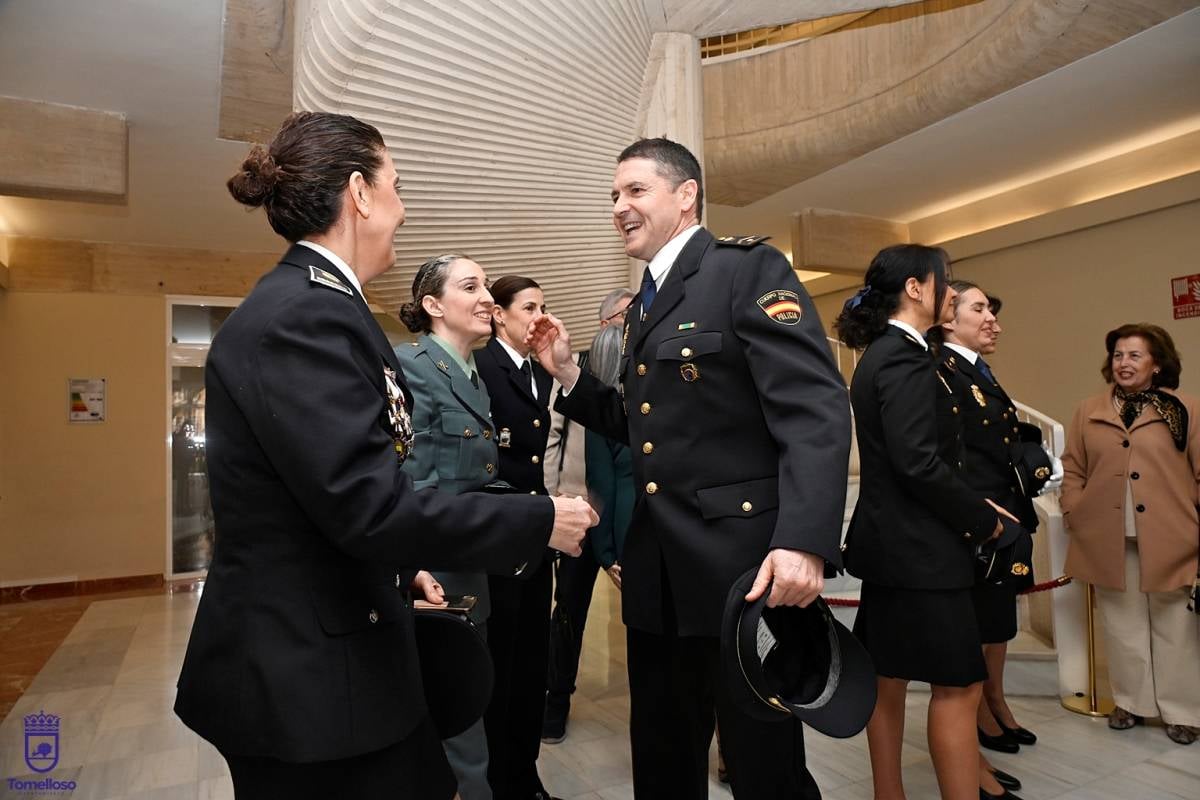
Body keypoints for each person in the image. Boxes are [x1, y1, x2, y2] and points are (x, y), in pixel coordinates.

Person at [173, 111, 595, 800]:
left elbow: (332, 493)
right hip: (304, 681)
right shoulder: (302, 318)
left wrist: (401, 571)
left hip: (336, 647)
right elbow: (368, 506)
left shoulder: (327, 308)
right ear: (360, 194)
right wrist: (538, 520)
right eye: (396, 186)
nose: (404, 209)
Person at [528, 137, 851, 799]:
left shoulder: (745, 270)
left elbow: (813, 408)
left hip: (741, 566)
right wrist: (567, 374)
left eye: (635, 191)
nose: (619, 207)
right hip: (660, 573)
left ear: (686, 195)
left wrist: (803, 540)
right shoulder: (648, 299)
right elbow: (644, 430)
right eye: (614, 195)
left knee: (762, 756)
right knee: (664, 753)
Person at [834, 245, 1015, 800]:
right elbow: (919, 462)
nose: (952, 293)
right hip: (924, 554)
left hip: (893, 549)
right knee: (958, 689)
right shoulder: (905, 357)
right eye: (945, 284)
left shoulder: (880, 354)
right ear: (916, 289)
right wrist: (983, 519)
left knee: (886, 681)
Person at [929, 282, 1061, 797]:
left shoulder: (976, 370)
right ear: (948, 317)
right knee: (980, 632)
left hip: (1002, 520)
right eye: (979, 309)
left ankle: (994, 707)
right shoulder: (941, 371)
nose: (993, 321)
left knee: (998, 625)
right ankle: (979, 731)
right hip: (978, 522)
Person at [1061, 323, 1200, 746]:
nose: (1124, 363)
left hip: (1173, 537)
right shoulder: (1089, 410)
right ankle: (1132, 702)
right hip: (1107, 537)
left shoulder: (1186, 409)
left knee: (1176, 627)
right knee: (1122, 626)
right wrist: (1074, 509)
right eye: (1119, 355)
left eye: (1135, 356)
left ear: (1157, 364)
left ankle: (1182, 711)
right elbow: (1073, 468)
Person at [394, 253, 502, 799]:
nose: (487, 296)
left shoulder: (472, 377)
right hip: (430, 576)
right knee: (451, 736)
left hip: (468, 568)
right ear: (433, 306)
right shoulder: (410, 367)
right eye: (471, 286)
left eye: (487, 285)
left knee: (463, 719)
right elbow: (406, 484)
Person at [474, 275, 560, 800]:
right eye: (529, 307)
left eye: (543, 307)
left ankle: (524, 774)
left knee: (532, 665)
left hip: (536, 540)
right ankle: (497, 780)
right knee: (498, 669)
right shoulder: (480, 368)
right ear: (499, 316)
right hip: (496, 540)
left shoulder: (542, 371)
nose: (539, 317)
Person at [542, 287, 634, 744]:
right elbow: (552, 438)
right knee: (569, 613)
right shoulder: (578, 368)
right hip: (579, 511)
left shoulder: (641, 364)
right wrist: (555, 499)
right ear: (605, 322)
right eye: (624, 314)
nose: (631, 320)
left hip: (627, 512)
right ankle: (555, 702)